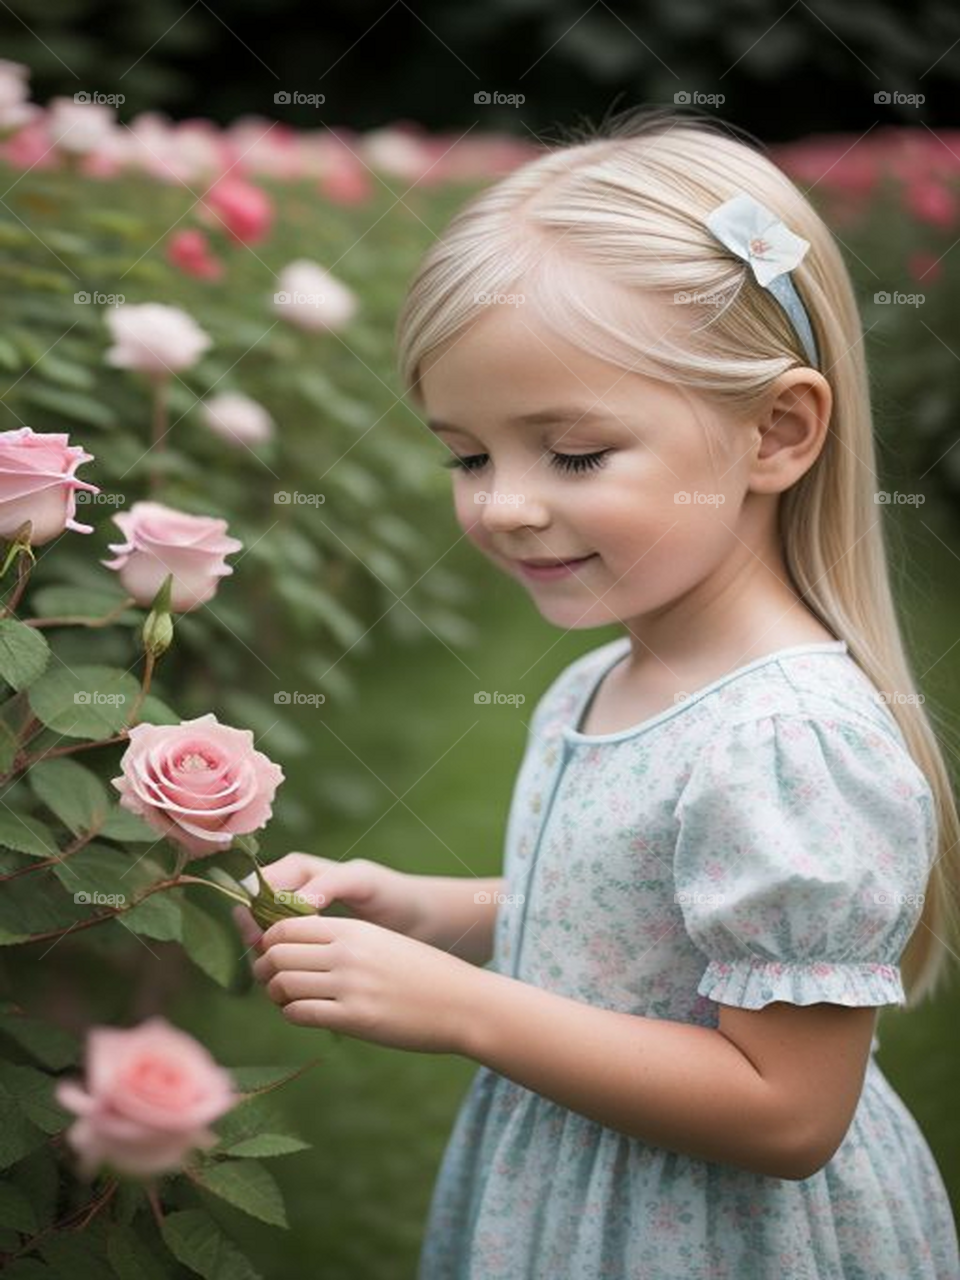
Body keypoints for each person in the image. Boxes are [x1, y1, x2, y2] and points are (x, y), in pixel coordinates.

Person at [233, 107, 960, 1278]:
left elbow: (787, 1112)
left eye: (571, 452)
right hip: (581, 1182)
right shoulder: (612, 675)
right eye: (467, 454)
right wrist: (435, 909)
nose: (504, 503)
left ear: (777, 430)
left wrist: (469, 1009)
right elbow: (639, 916)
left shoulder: (786, 739)